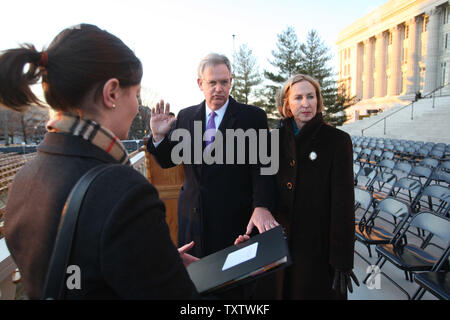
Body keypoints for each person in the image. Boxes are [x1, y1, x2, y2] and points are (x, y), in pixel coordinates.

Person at [0, 24, 199, 300]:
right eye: (136, 94)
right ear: (112, 93)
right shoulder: (123, 191)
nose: (136, 107)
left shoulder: (26, 177)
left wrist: (156, 263)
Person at [147, 53, 278, 267]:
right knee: (197, 284)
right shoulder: (186, 116)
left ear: (231, 82)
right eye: (213, 82)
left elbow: (263, 167)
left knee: (233, 283)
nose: (219, 88)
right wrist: (159, 137)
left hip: (234, 221)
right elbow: (168, 160)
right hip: (192, 220)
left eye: (224, 82)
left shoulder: (252, 117)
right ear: (200, 83)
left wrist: (262, 205)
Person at [270, 74, 359, 299]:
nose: (306, 103)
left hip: (317, 248)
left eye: (311, 96)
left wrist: (342, 259)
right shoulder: (272, 140)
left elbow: (344, 203)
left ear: (318, 101)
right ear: (287, 105)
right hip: (277, 245)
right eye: (298, 97)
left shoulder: (338, 141)